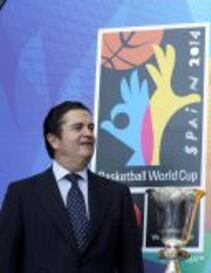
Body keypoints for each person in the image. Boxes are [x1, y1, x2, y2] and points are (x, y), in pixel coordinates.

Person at [0, 101, 144, 273]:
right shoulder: (22, 194)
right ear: (54, 140)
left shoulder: (117, 194)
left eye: (91, 127)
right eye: (78, 127)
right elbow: (5, 261)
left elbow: (131, 265)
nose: (88, 133)